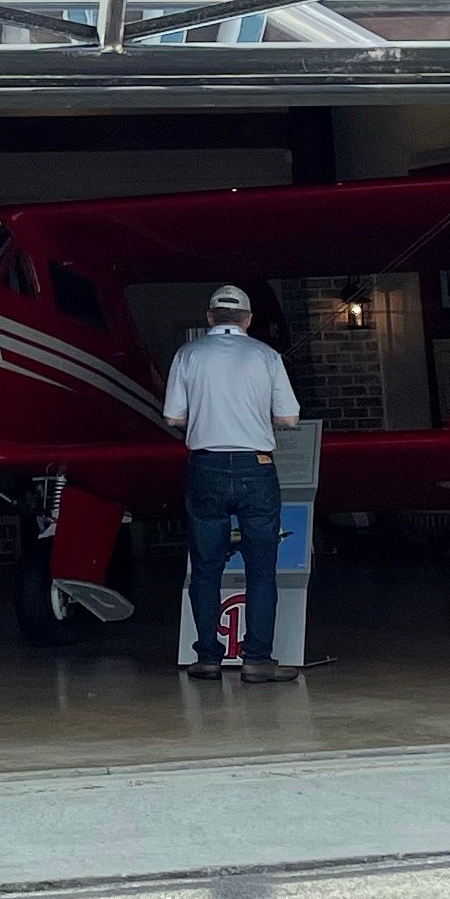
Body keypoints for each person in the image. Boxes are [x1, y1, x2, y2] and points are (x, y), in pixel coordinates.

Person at [163, 283, 301, 683]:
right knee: (261, 567)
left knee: (205, 567)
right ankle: (257, 659)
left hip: (205, 465)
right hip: (256, 467)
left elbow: (173, 417)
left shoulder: (187, 355)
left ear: (210, 318)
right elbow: (289, 417)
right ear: (248, 319)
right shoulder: (266, 356)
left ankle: (208, 657)